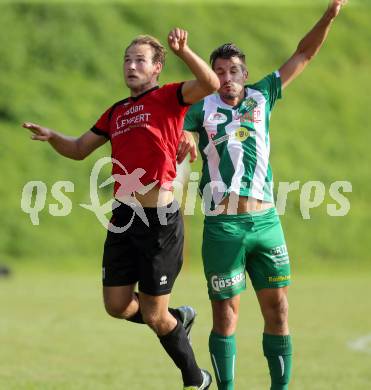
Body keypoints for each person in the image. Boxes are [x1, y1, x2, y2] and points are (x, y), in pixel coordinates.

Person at [23, 28, 220, 390]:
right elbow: (80, 148)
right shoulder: (116, 111)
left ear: (157, 67)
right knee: (116, 305)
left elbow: (209, 83)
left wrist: (184, 50)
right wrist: (54, 139)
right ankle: (179, 320)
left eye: (140, 60)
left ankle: (197, 379)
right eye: (127, 60)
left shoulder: (168, 96)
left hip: (159, 221)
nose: (131, 66)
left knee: (155, 316)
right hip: (123, 218)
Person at [183, 1, 347, 389]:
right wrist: (187, 144)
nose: (226, 77)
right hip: (223, 226)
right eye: (219, 72)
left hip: (266, 222)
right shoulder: (199, 108)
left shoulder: (262, 96)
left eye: (233, 70)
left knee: (279, 311)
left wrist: (328, 16)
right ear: (211, 76)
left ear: (246, 74)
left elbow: (303, 53)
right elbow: (183, 134)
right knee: (225, 316)